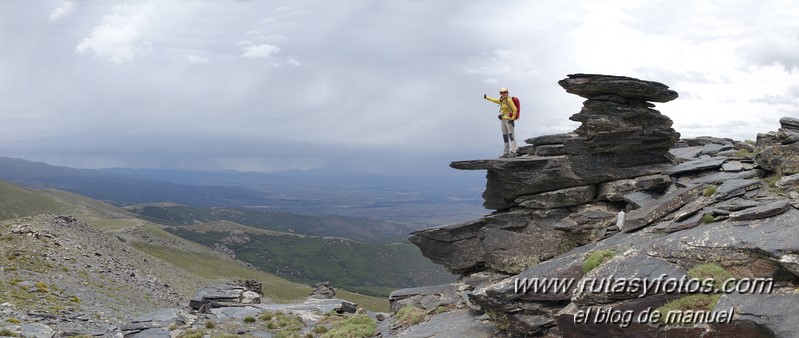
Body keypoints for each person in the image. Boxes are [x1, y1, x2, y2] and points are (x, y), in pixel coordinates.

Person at [484, 88, 518, 158]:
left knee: (511, 135)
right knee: (505, 136)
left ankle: (514, 151)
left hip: (509, 119)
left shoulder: (509, 100)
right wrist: (487, 97)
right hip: (503, 119)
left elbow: (515, 109)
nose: (503, 94)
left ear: (507, 92)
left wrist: (513, 118)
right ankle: (506, 152)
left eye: (505, 92)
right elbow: (495, 100)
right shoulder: (502, 101)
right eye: (502, 93)